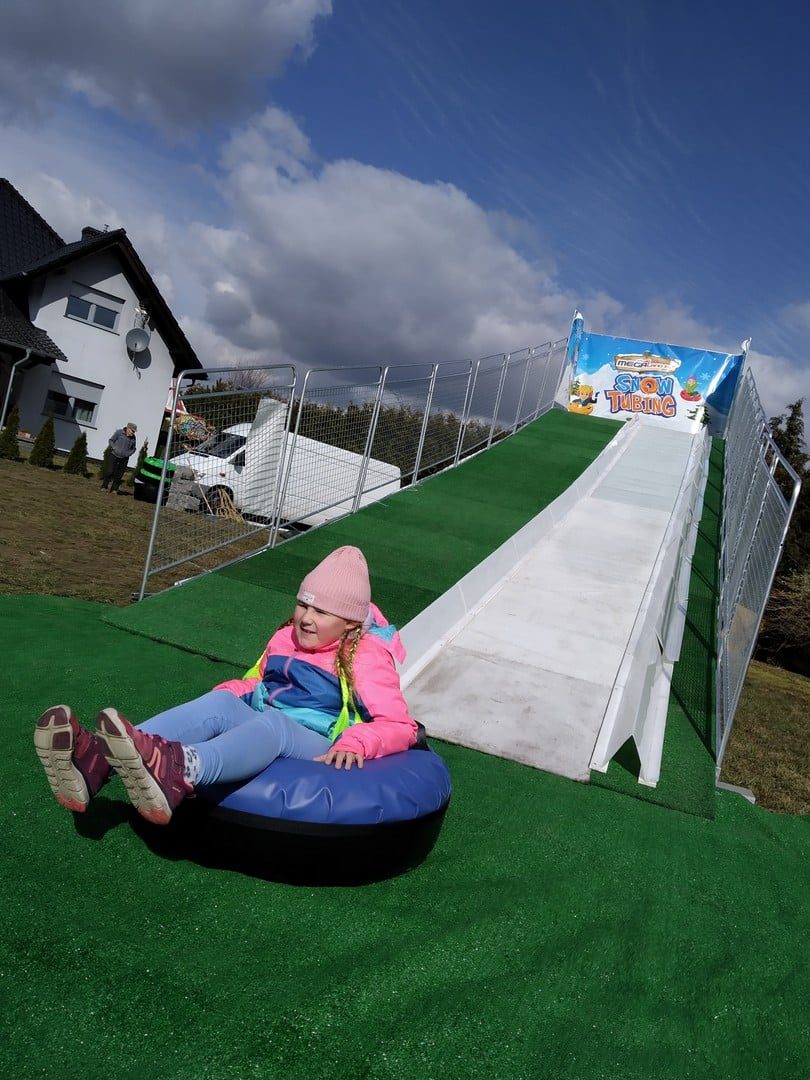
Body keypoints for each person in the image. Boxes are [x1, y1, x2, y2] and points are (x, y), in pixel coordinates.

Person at [33, 547, 418, 825]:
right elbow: (256, 684)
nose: (305, 618)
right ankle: (95, 762)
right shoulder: (286, 637)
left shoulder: (364, 655)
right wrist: (224, 699)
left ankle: (182, 770)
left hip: (321, 739)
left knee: (276, 727)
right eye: (303, 604)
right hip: (267, 719)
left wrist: (357, 743)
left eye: (321, 611)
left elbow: (400, 725)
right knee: (221, 703)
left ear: (350, 622)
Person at [100, 421, 137, 492]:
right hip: (114, 455)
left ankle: (114, 489)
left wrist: (128, 453)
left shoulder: (133, 438)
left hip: (124, 458)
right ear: (128, 428)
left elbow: (134, 448)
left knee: (119, 474)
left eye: (134, 431)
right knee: (109, 471)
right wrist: (114, 448)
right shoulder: (119, 433)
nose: (133, 433)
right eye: (132, 431)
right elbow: (111, 440)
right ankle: (104, 487)